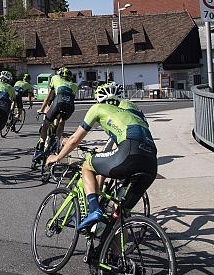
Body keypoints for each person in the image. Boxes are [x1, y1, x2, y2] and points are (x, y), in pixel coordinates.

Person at [46, 82, 157, 232]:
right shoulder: (129, 112)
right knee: (119, 217)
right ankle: (114, 255)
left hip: (129, 152)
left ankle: (94, 209)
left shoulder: (98, 108)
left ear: (99, 100)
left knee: (87, 165)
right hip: (151, 162)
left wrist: (57, 157)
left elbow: (74, 140)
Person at [33, 67, 77, 161]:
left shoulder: (55, 78)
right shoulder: (74, 86)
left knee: (45, 125)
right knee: (62, 121)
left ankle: (41, 144)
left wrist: (41, 109)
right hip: (69, 107)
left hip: (58, 102)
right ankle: (56, 142)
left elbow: (48, 98)